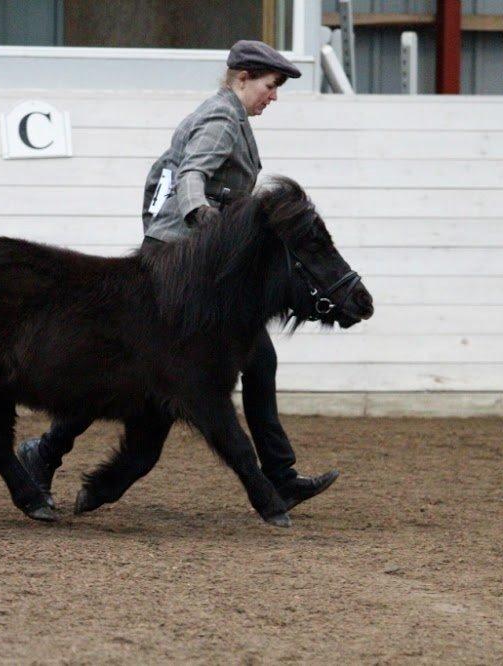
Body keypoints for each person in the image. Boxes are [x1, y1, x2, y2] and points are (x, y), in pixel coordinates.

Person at [18, 40, 338, 512]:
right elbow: (190, 176)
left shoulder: (218, 114)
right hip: (180, 268)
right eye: (270, 86)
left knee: (239, 360)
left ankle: (280, 475)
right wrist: (204, 220)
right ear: (243, 77)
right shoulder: (222, 119)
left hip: (178, 263)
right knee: (123, 374)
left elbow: (162, 179)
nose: (273, 96)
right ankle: (44, 453)